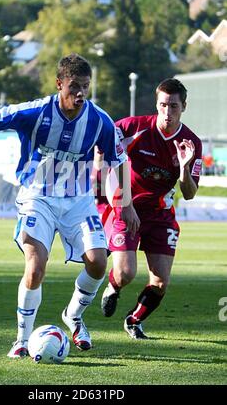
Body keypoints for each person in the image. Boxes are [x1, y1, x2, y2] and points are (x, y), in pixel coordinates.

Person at [0, 53, 132, 357]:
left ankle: (73, 316)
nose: (80, 93)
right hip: (37, 196)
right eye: (73, 87)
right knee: (36, 266)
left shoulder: (100, 120)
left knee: (97, 262)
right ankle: (21, 340)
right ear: (59, 84)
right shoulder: (35, 112)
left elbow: (119, 161)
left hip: (79, 201)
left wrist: (126, 204)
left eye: (85, 87)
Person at [96, 78, 202, 339]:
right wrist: (122, 201)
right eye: (163, 105)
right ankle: (113, 285)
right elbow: (104, 151)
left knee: (161, 282)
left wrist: (184, 169)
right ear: (157, 103)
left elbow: (188, 194)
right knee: (125, 273)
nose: (167, 112)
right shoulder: (133, 127)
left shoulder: (192, 143)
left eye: (174, 106)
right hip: (127, 206)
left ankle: (133, 320)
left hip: (160, 214)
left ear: (184, 107)